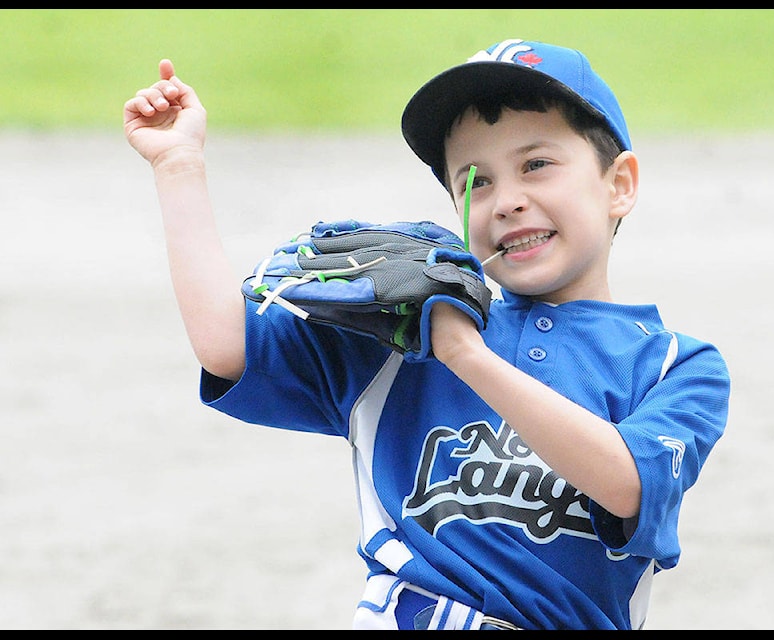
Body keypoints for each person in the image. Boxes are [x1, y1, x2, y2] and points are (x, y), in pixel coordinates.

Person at [123, 38, 730, 630]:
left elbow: (626, 485)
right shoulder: (402, 336)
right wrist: (179, 167)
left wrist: (465, 354)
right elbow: (226, 345)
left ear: (618, 184)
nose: (507, 201)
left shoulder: (674, 365)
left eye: (536, 165)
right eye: (475, 181)